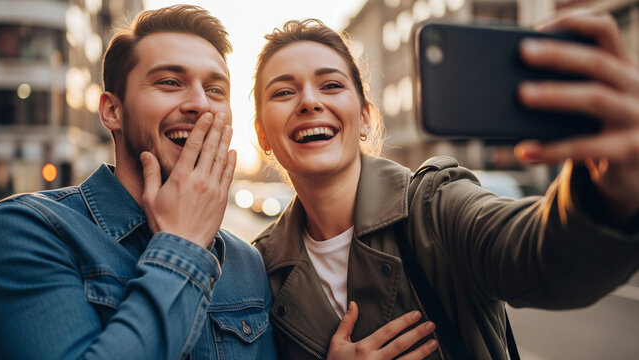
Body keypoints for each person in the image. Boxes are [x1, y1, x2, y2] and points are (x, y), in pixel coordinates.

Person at [251, 10, 639, 360]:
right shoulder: (258, 269)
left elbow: (543, 255)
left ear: (366, 118)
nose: (308, 102)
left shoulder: (433, 205)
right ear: (263, 135)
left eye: (331, 85)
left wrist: (610, 192)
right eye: (284, 92)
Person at [0, 5, 276, 359]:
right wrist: (183, 246)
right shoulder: (28, 230)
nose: (199, 103)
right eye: (170, 82)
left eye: (215, 90)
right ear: (112, 111)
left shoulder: (247, 263)